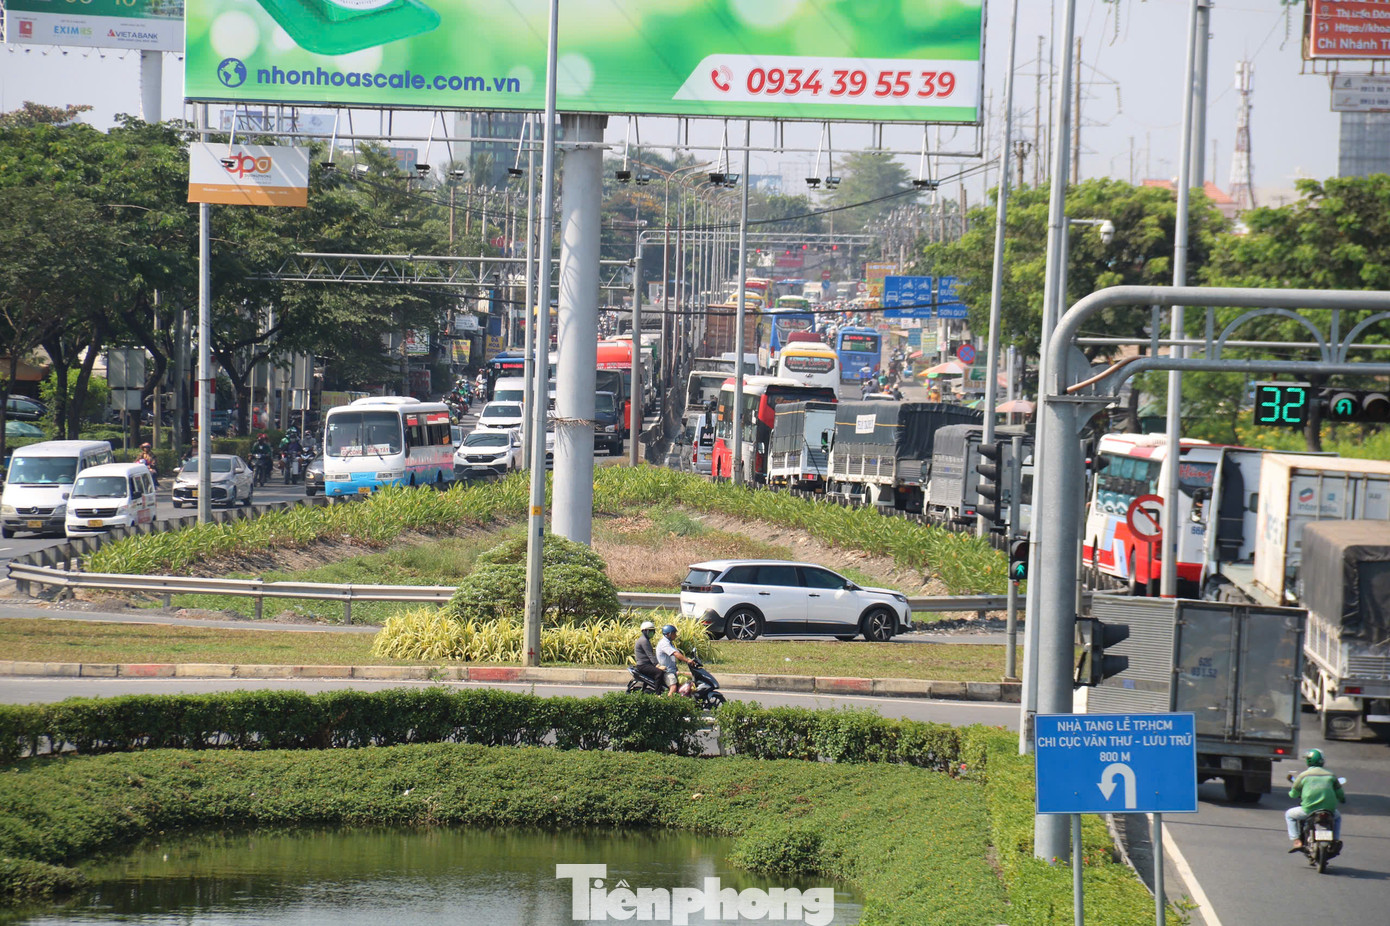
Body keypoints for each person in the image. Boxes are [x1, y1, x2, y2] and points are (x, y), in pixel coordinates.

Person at [1286, 748, 1345, 852]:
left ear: (1308, 761)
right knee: (1337, 817)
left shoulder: (1303, 775)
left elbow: (1294, 794)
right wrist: (1342, 800)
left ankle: (1296, 841)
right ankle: (1335, 840)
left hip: (1308, 810)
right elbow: (1340, 794)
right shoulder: (1331, 775)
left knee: (1289, 815)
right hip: (1329, 810)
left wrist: (1292, 794)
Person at [656, 623, 694, 696]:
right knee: (673, 687)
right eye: (674, 633)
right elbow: (675, 653)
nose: (675, 635)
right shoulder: (664, 643)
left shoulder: (669, 643)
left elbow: (678, 653)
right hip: (667, 671)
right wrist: (687, 660)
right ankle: (668, 704)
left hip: (672, 670)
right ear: (668, 634)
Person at [633, 620, 664, 689]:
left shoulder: (645, 640)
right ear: (644, 631)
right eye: (650, 631)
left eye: (653, 631)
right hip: (643, 665)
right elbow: (650, 655)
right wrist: (657, 665)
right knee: (659, 673)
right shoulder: (644, 641)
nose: (652, 633)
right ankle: (658, 694)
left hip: (646, 664)